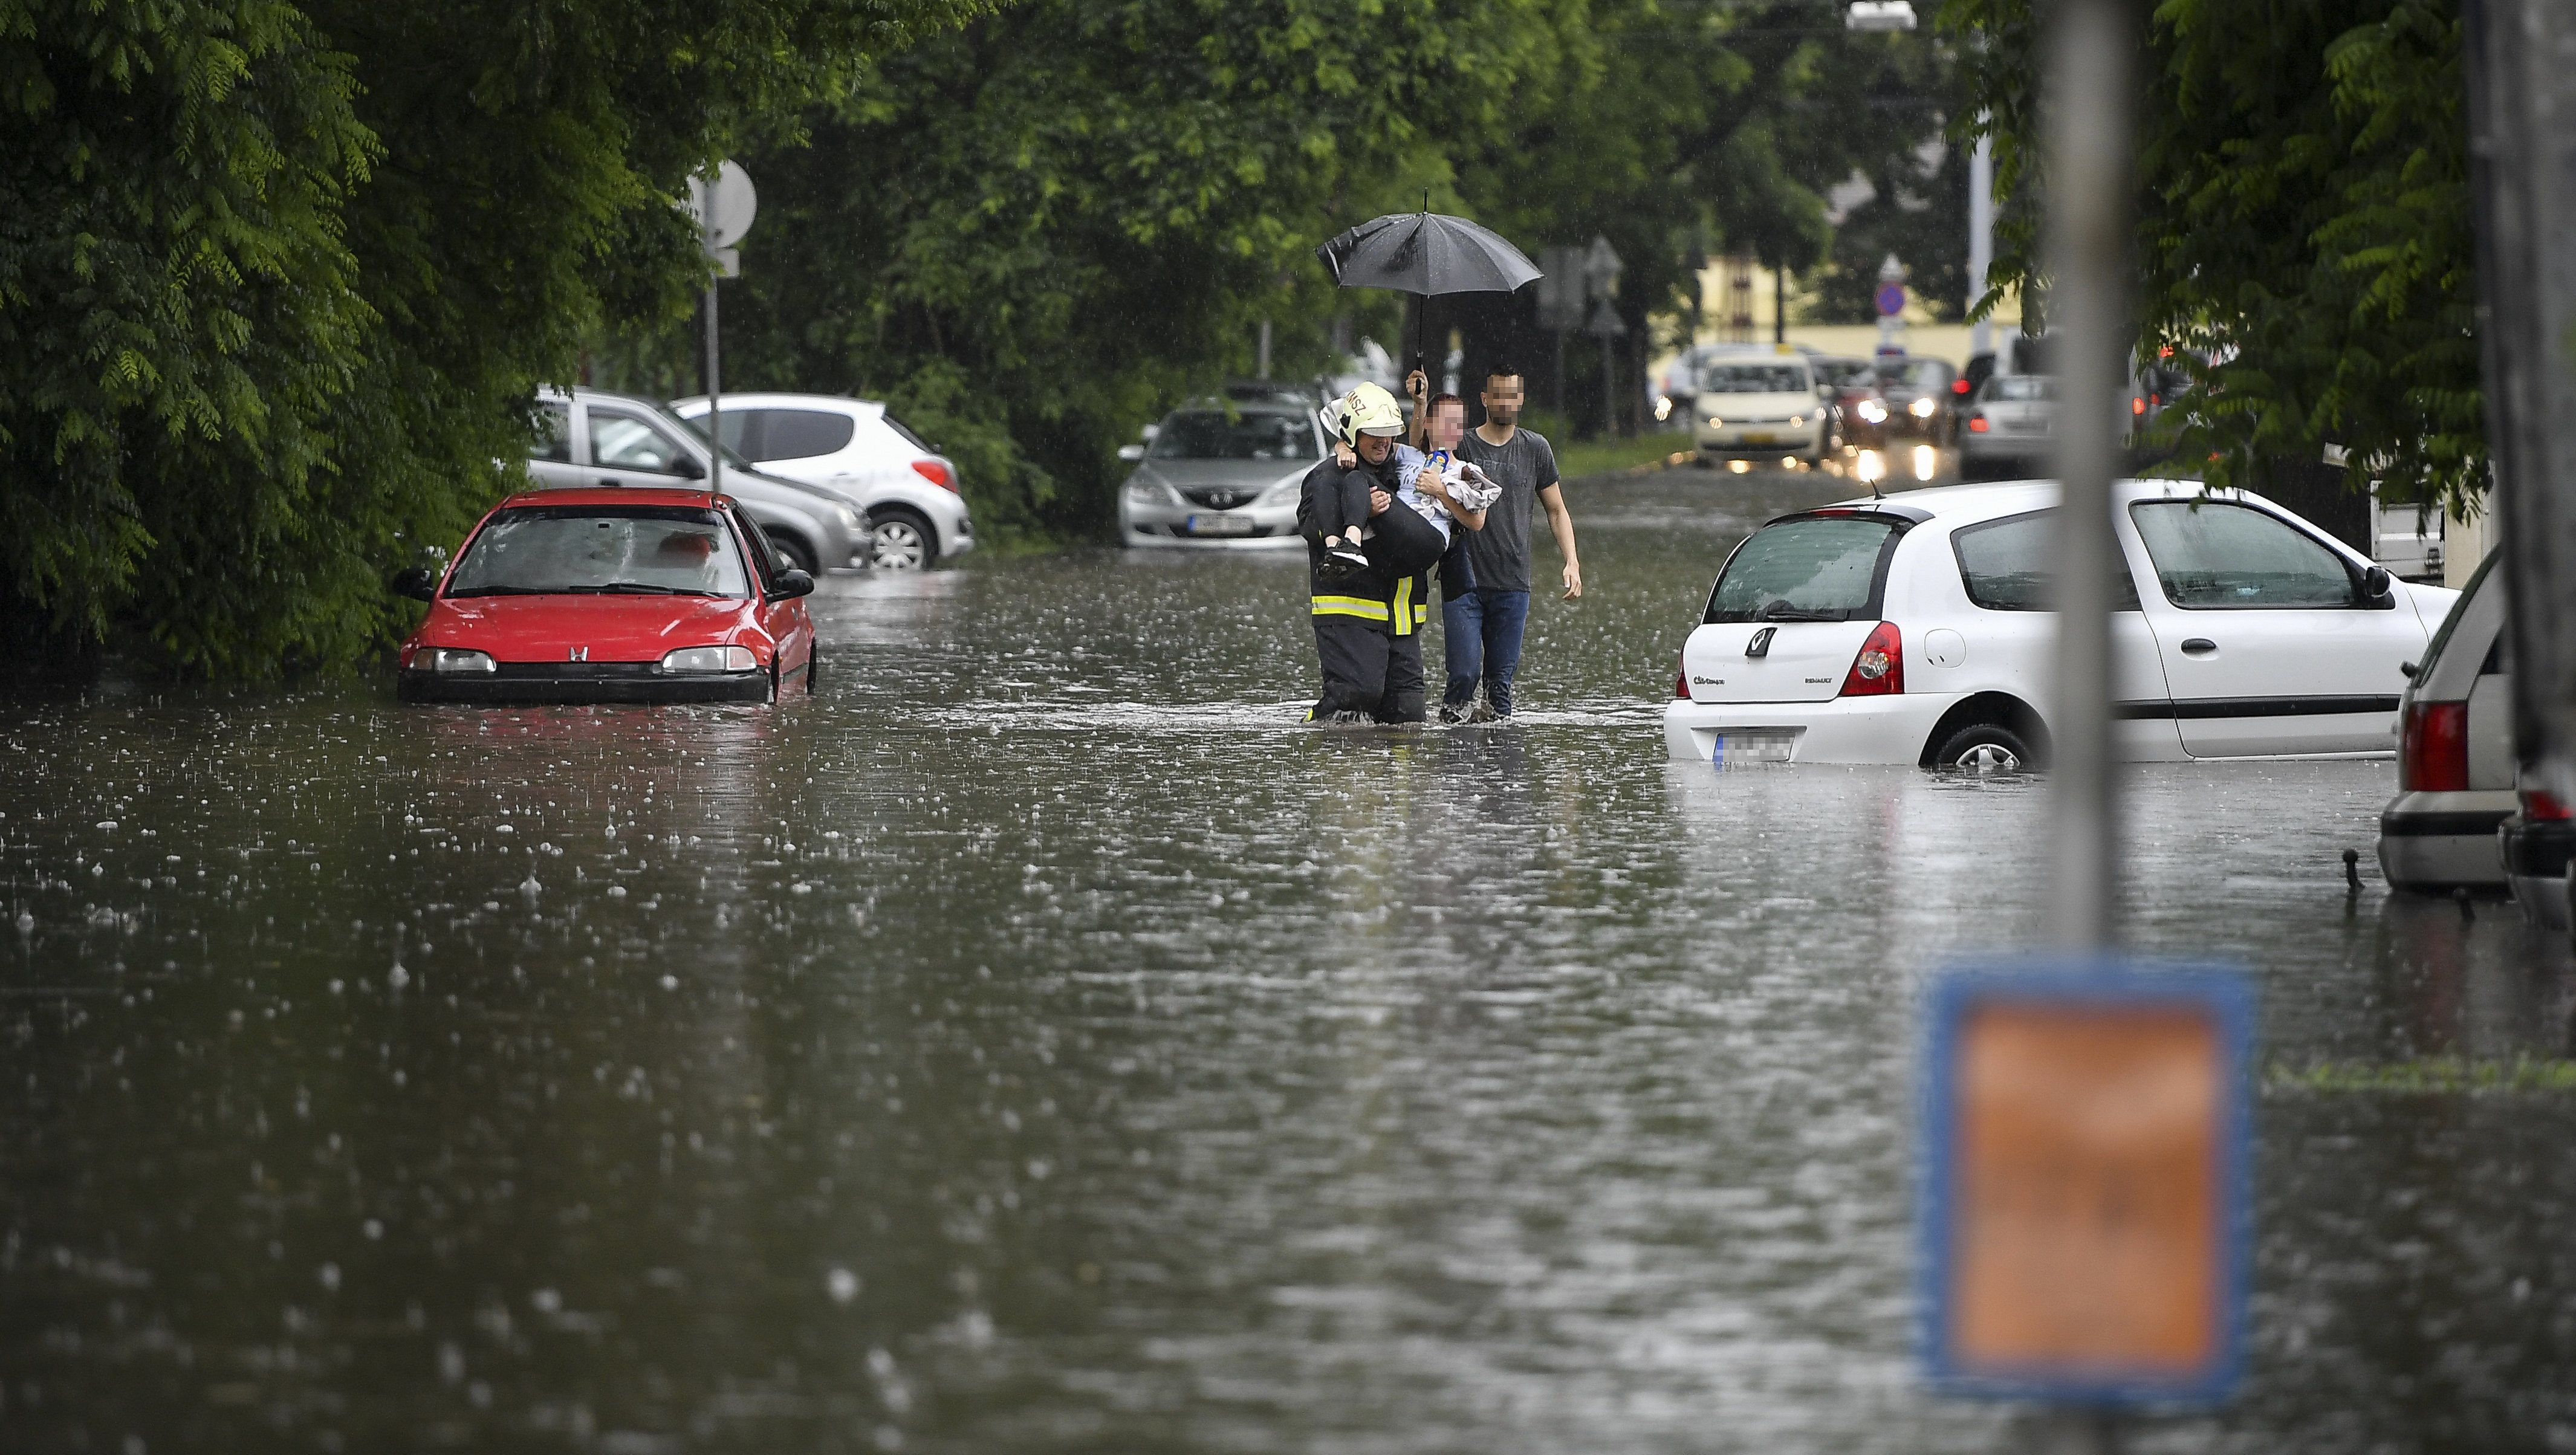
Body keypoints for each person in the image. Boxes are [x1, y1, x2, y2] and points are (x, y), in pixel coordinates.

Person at [1299, 383, 1451, 724]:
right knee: (1356, 697)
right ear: (1353, 433)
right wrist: (1362, 515)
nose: (1384, 442)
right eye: (1374, 434)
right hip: (1350, 615)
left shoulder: (1403, 472)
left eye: (1389, 434)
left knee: (1408, 718)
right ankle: (1315, 734)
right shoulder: (1327, 478)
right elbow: (1311, 527)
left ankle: (1397, 780)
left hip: (1402, 618)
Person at [1444, 365, 1582, 723]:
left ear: (1520, 399)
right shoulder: (1461, 443)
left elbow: (1556, 510)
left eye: (1512, 395)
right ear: (1485, 399)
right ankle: (1449, 766)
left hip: (1513, 584)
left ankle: (1502, 771)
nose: (1506, 402)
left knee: (1499, 686)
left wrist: (1572, 561)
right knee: (1463, 677)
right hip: (1463, 582)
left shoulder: (1536, 448)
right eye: (1498, 395)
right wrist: (1420, 401)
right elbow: (1415, 452)